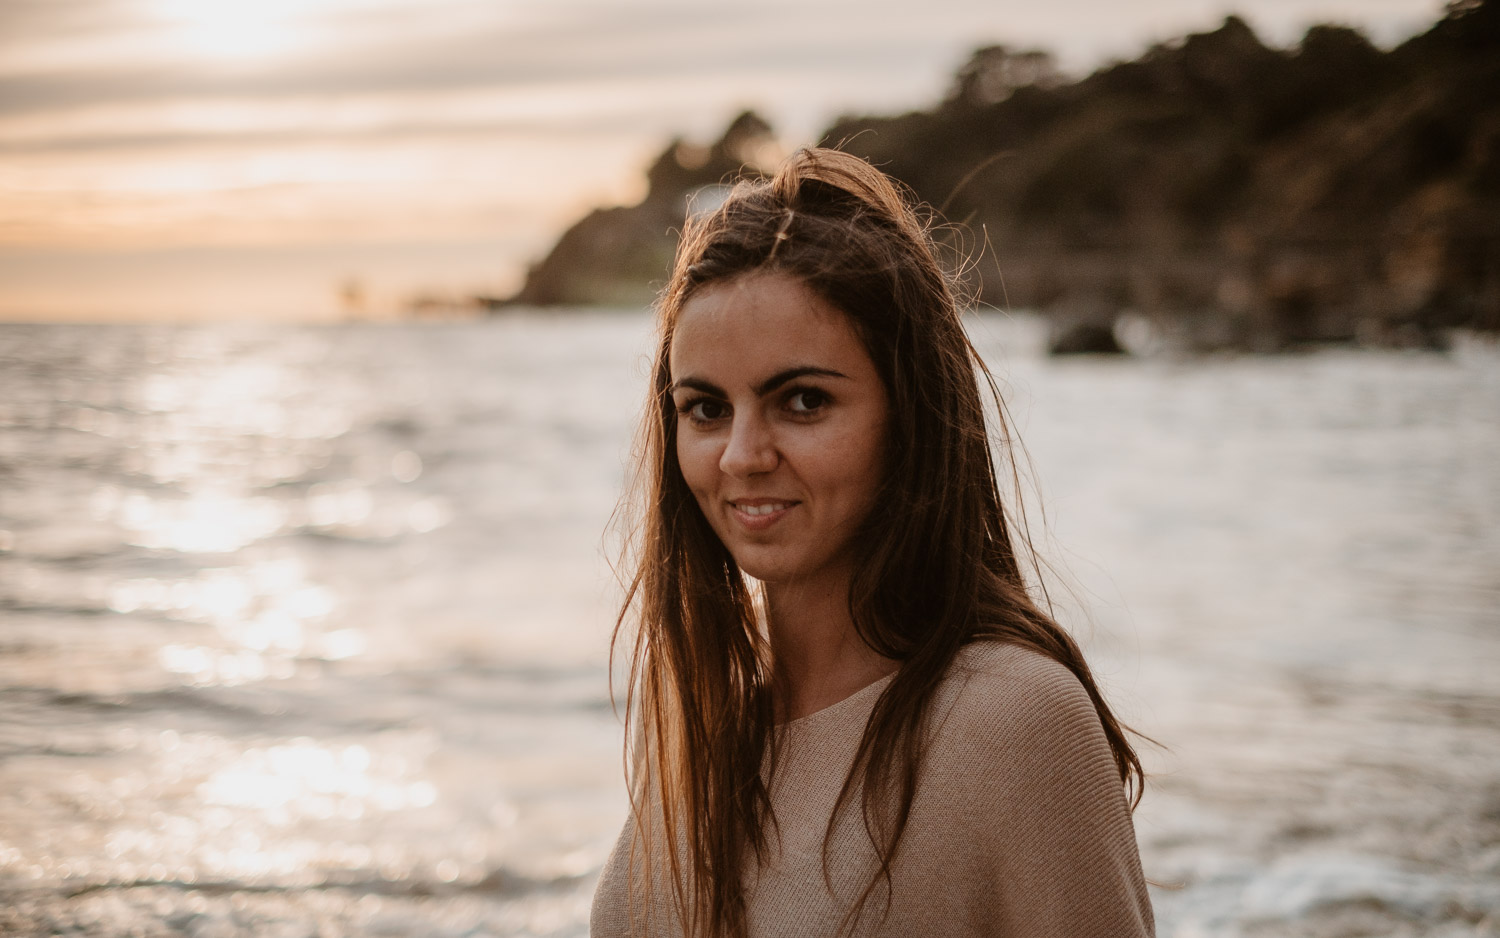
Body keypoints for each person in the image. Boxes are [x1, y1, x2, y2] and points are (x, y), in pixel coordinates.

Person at [591, 147, 1153, 938]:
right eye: (706, 409)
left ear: (909, 415)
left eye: (803, 400)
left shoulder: (1014, 724)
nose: (742, 455)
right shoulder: (706, 738)